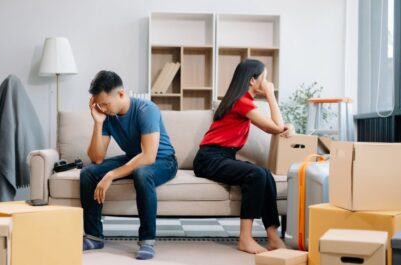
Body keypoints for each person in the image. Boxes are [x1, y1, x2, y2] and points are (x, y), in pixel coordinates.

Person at [193, 59, 294, 254]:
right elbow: (274, 127)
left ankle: (273, 237)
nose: (266, 83)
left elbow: (277, 127)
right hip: (209, 158)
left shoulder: (242, 101)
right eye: (264, 78)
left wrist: (284, 126)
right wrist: (271, 95)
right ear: (252, 80)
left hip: (223, 156)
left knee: (264, 174)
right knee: (255, 175)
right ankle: (245, 239)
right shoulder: (241, 102)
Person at [80, 70, 178, 260]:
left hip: (163, 160)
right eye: (99, 104)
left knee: (142, 173)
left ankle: (147, 241)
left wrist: (111, 175)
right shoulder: (107, 116)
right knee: (88, 173)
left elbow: (149, 157)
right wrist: (98, 122)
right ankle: (93, 236)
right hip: (134, 157)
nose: (103, 108)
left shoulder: (146, 110)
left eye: (106, 104)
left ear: (121, 94)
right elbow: (97, 158)